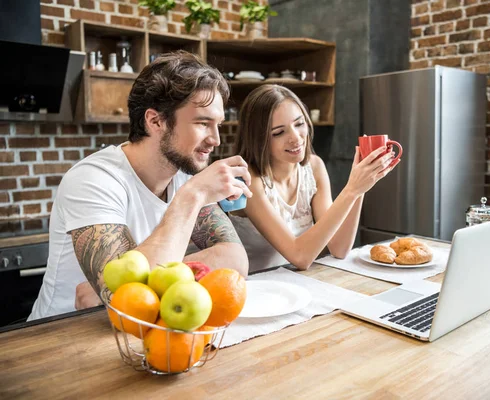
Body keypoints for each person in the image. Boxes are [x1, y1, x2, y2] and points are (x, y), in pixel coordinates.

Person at [28, 51, 252, 320]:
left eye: (217, 124)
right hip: (60, 336)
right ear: (155, 121)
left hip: (137, 333)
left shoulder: (183, 176)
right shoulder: (93, 179)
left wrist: (125, 286)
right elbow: (123, 302)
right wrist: (194, 194)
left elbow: (236, 262)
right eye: (203, 123)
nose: (215, 139)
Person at [230, 85, 398, 273]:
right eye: (278, 132)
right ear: (258, 138)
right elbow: (300, 257)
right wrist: (351, 189)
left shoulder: (314, 167)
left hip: (299, 284)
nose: (295, 138)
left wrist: (360, 187)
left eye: (299, 124)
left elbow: (339, 247)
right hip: (256, 290)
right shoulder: (249, 180)